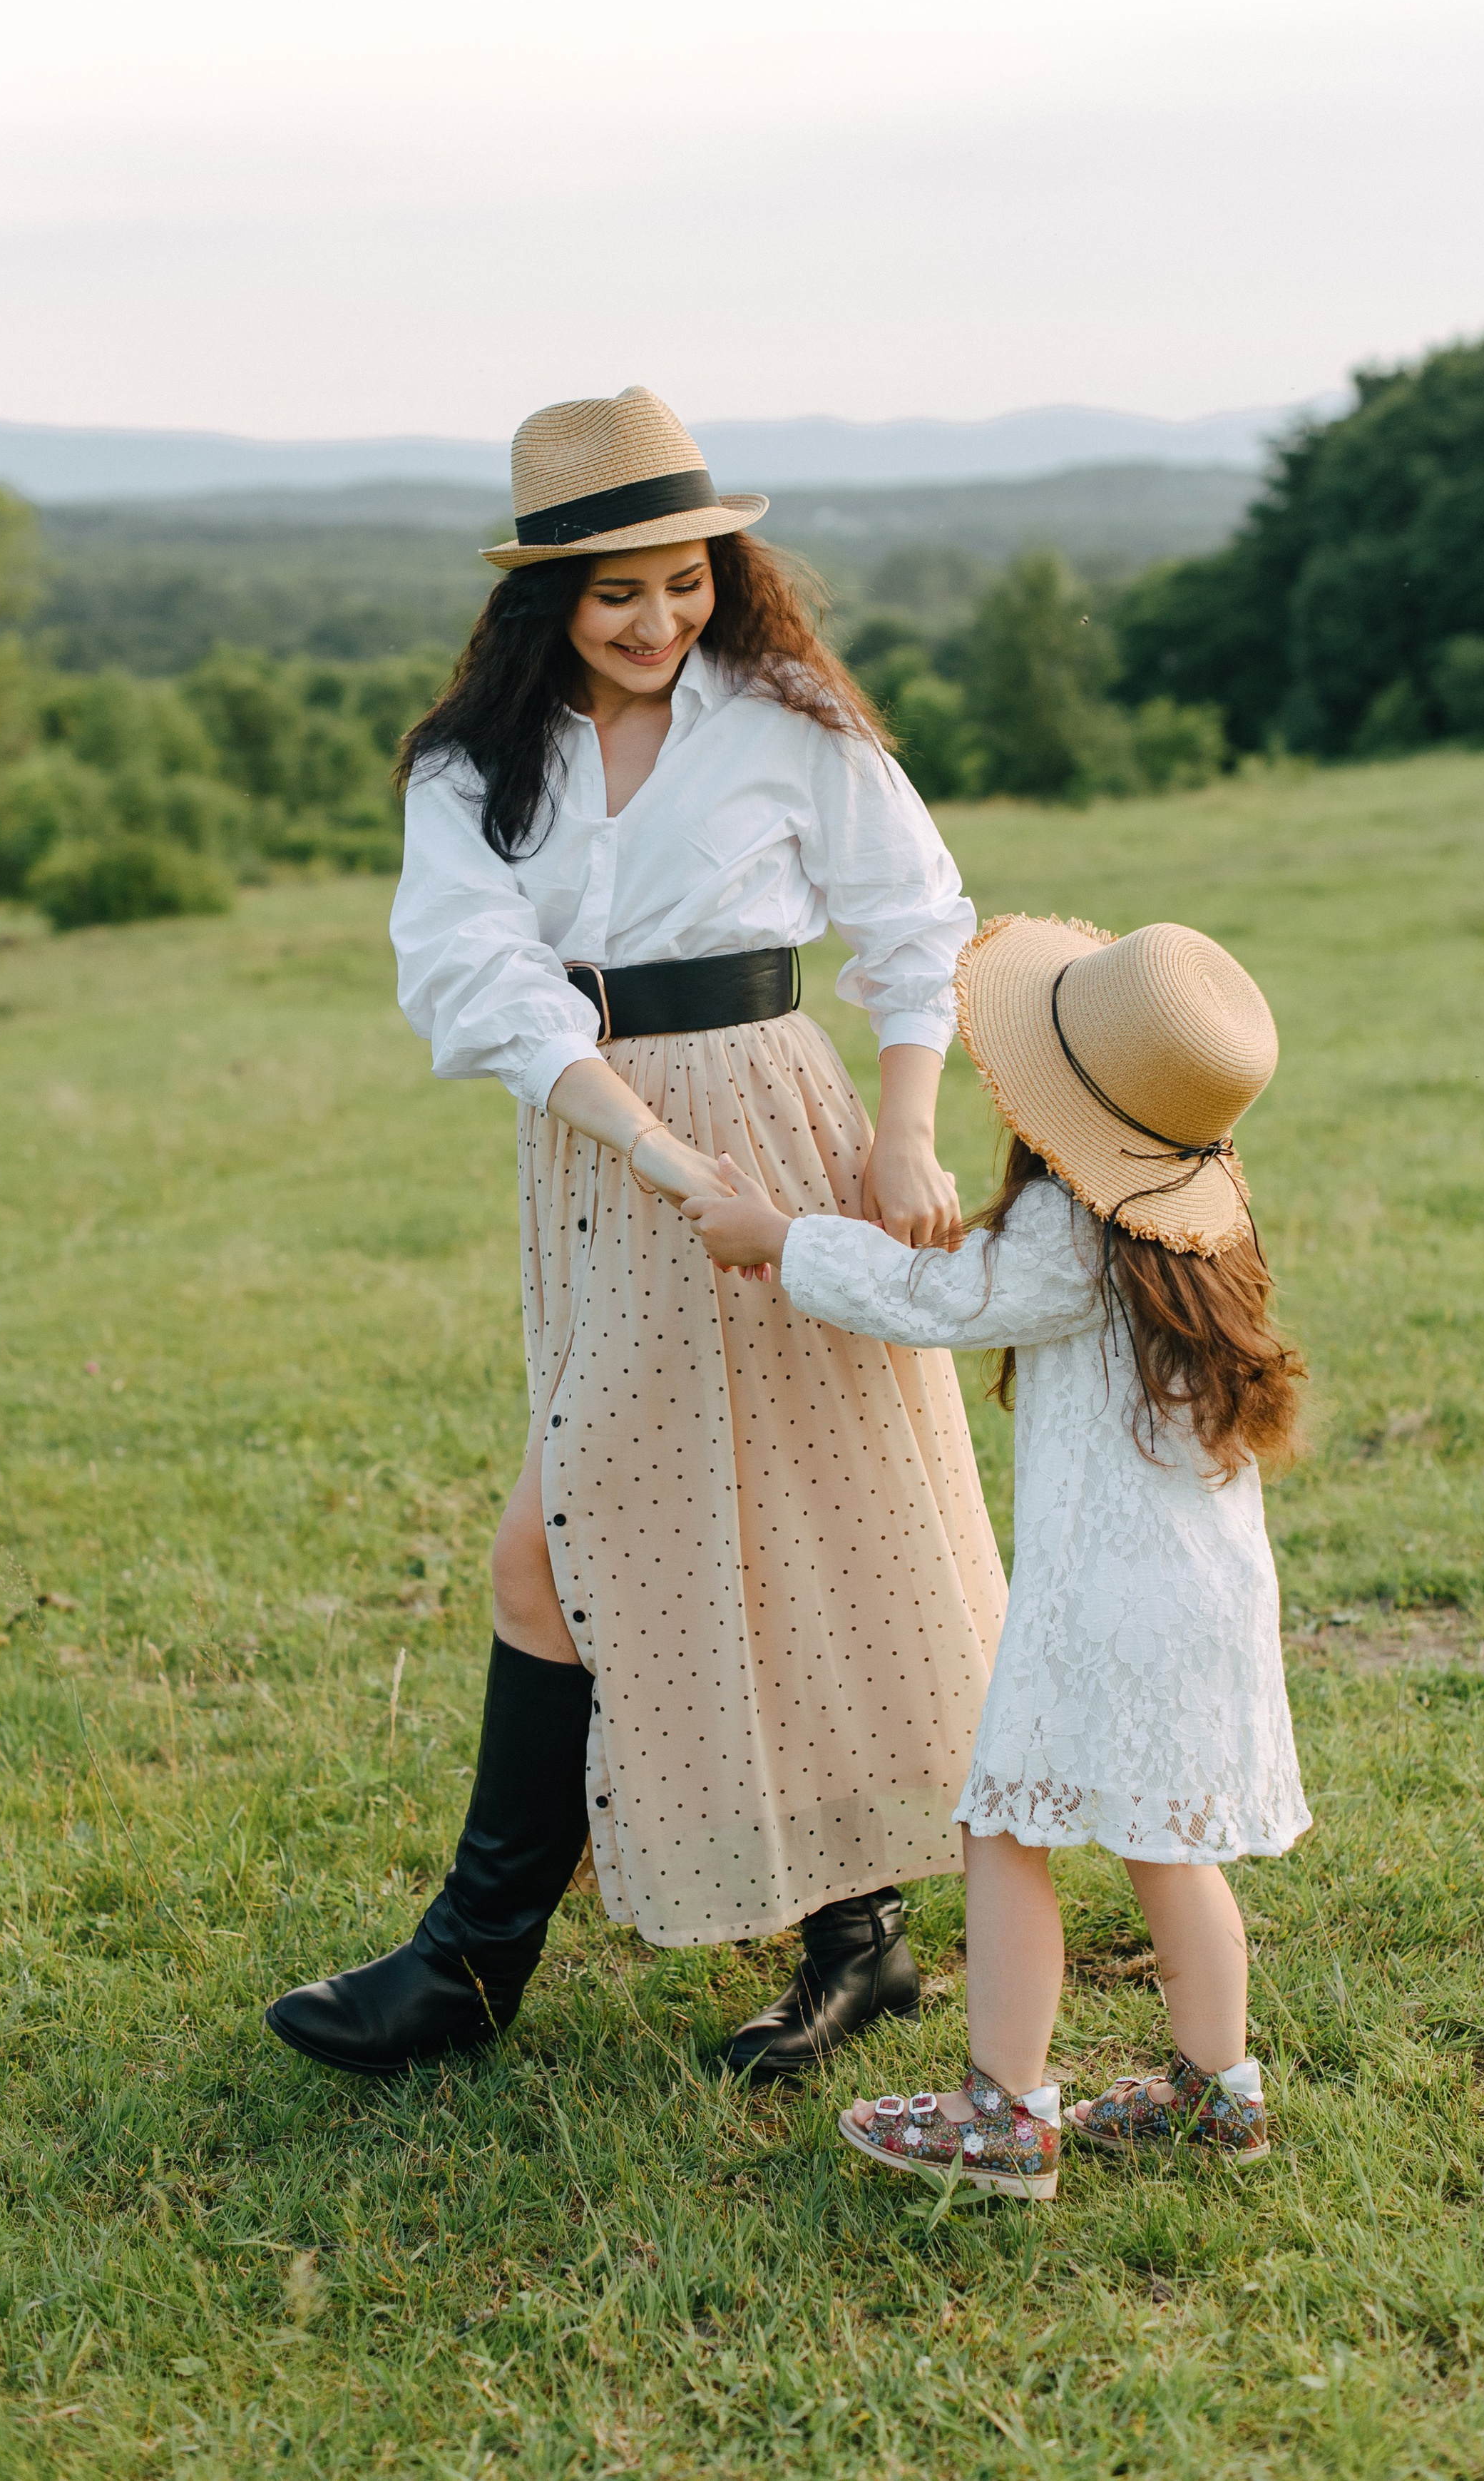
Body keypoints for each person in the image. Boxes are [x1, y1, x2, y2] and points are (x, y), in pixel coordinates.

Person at [265, 386, 1008, 2081]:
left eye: (684, 582)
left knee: (736, 1523)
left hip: (777, 1130)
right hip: (605, 1155)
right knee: (606, 1529)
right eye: (616, 594)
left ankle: (547, 1955)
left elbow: (916, 918)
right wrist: (645, 1145)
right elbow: (478, 980)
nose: (658, 621)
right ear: (544, 598)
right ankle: (742, 1939)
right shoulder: (473, 765)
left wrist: (902, 1133)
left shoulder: (788, 718)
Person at [680, 911, 1311, 2198]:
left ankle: (1004, 2113)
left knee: (1003, 1824)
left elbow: (938, 1299)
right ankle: (1217, 2091)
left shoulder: (1073, 1238)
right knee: (1162, 1839)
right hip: (1205, 1598)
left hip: (1104, 1606)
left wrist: (779, 1237)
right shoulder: (1198, 1232)